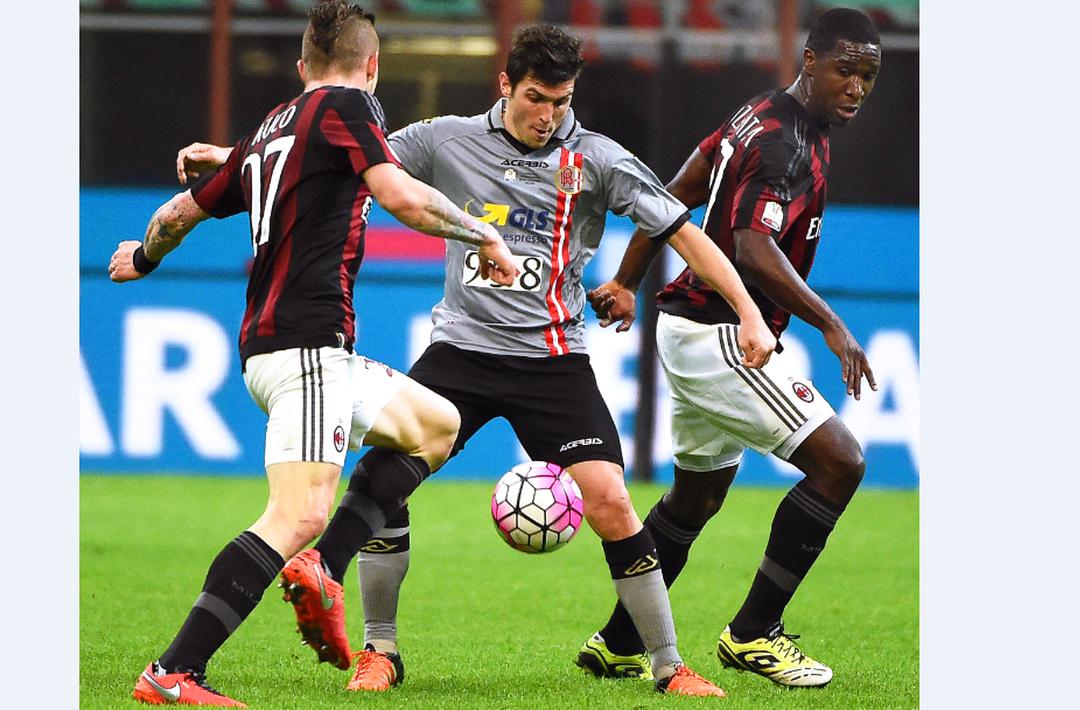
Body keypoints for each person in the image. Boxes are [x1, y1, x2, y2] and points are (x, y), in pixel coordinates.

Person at [180, 23, 775, 699]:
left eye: (560, 100)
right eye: (534, 97)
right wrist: (236, 157)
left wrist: (748, 312)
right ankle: (379, 650)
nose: (547, 114)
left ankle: (668, 665)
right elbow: (332, 155)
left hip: (552, 358)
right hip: (461, 349)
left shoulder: (599, 158)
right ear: (504, 84)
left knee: (610, 500)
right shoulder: (444, 137)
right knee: (382, 476)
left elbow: (683, 232)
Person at [109, 2, 519, 705]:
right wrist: (481, 234)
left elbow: (177, 213)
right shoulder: (349, 108)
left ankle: (325, 570)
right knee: (297, 513)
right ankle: (173, 672)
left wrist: (143, 259)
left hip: (298, 349)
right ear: (373, 66)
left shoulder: (275, 125)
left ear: (301, 66)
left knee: (436, 424)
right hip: (303, 347)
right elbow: (403, 198)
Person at [584, 7, 882, 688]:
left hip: (690, 329)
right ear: (809, 61)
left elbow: (679, 188)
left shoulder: (762, 114)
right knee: (839, 464)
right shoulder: (784, 143)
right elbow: (751, 246)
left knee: (694, 499)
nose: (856, 86)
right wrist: (830, 324)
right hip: (723, 336)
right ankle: (753, 634)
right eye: (845, 68)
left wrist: (628, 278)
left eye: (867, 74)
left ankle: (619, 641)